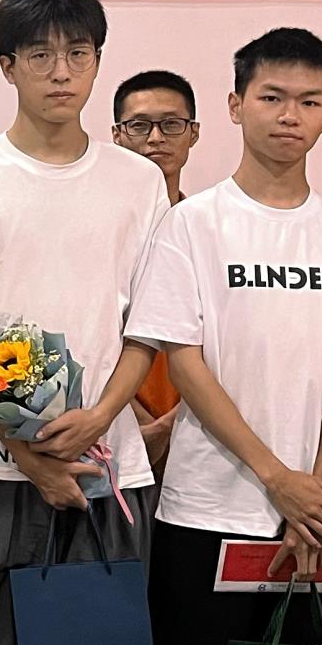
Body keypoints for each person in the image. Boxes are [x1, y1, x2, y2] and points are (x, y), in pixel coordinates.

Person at [0, 0, 167, 645]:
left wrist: (100, 417)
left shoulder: (139, 181)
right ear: (7, 65)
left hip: (106, 463)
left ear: (97, 61)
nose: (61, 72)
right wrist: (24, 448)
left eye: (77, 54)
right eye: (39, 56)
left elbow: (148, 323)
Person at [125, 28, 322, 645]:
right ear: (236, 105)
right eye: (272, 97)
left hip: (319, 521)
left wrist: (317, 495)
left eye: (309, 101)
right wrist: (276, 478)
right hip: (208, 508)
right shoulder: (190, 223)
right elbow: (186, 363)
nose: (290, 115)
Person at [111, 68, 201, 478]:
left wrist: (171, 426)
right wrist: (134, 421)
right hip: (109, 428)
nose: (156, 138)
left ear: (193, 133)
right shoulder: (98, 230)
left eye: (171, 124)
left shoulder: (212, 230)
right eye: (139, 125)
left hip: (202, 428)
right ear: (117, 135)